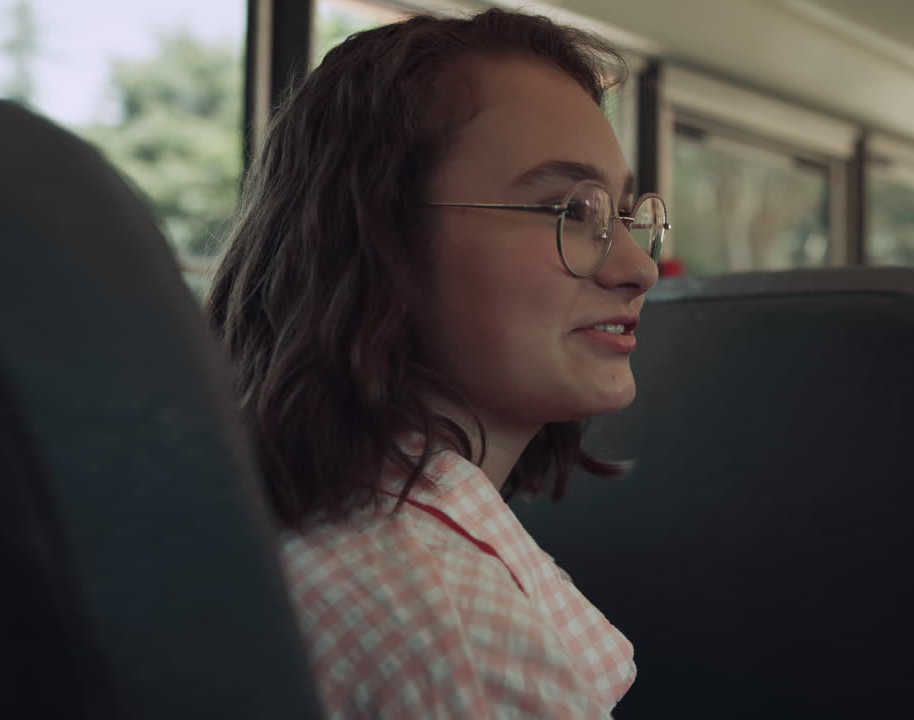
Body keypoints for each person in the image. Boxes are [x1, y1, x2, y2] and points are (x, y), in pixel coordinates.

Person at [206, 8, 666, 719]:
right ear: (382, 241)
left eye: (627, 213)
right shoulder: (454, 634)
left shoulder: (265, 515)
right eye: (572, 210)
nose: (640, 266)